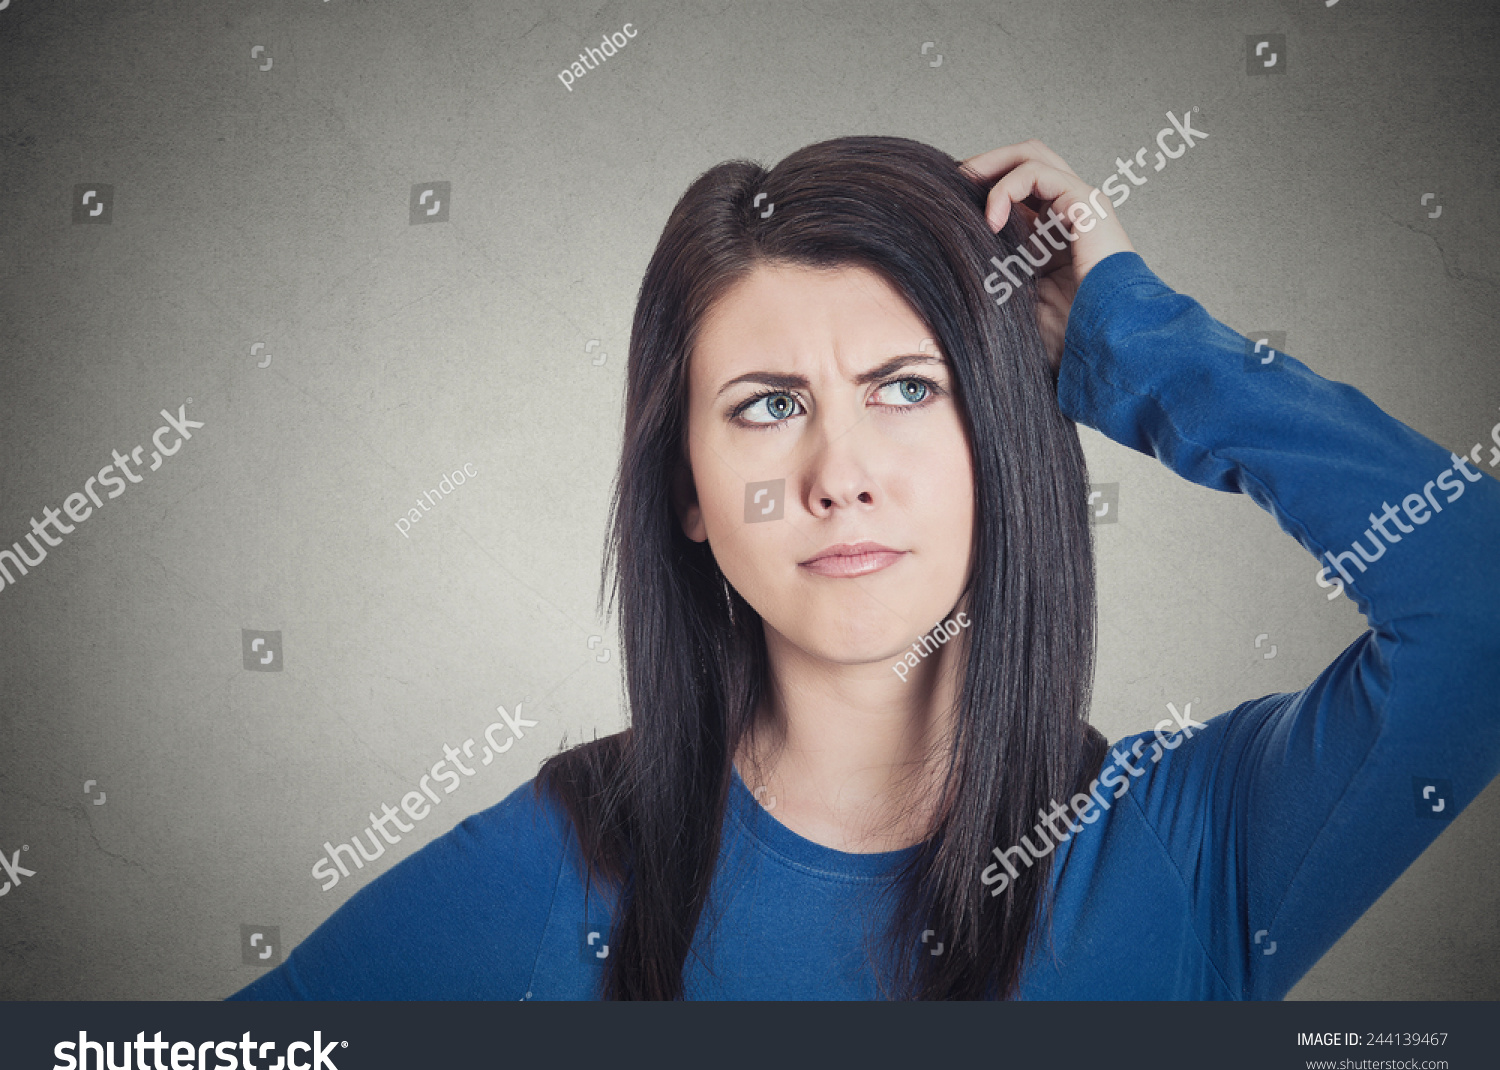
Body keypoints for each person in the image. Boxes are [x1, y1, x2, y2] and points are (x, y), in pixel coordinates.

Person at [230, 135, 1499, 1001]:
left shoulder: (1193, 854)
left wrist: (1129, 332)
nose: (840, 469)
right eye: (768, 405)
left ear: (1001, 438)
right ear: (687, 491)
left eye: (906, 387)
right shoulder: (557, 873)